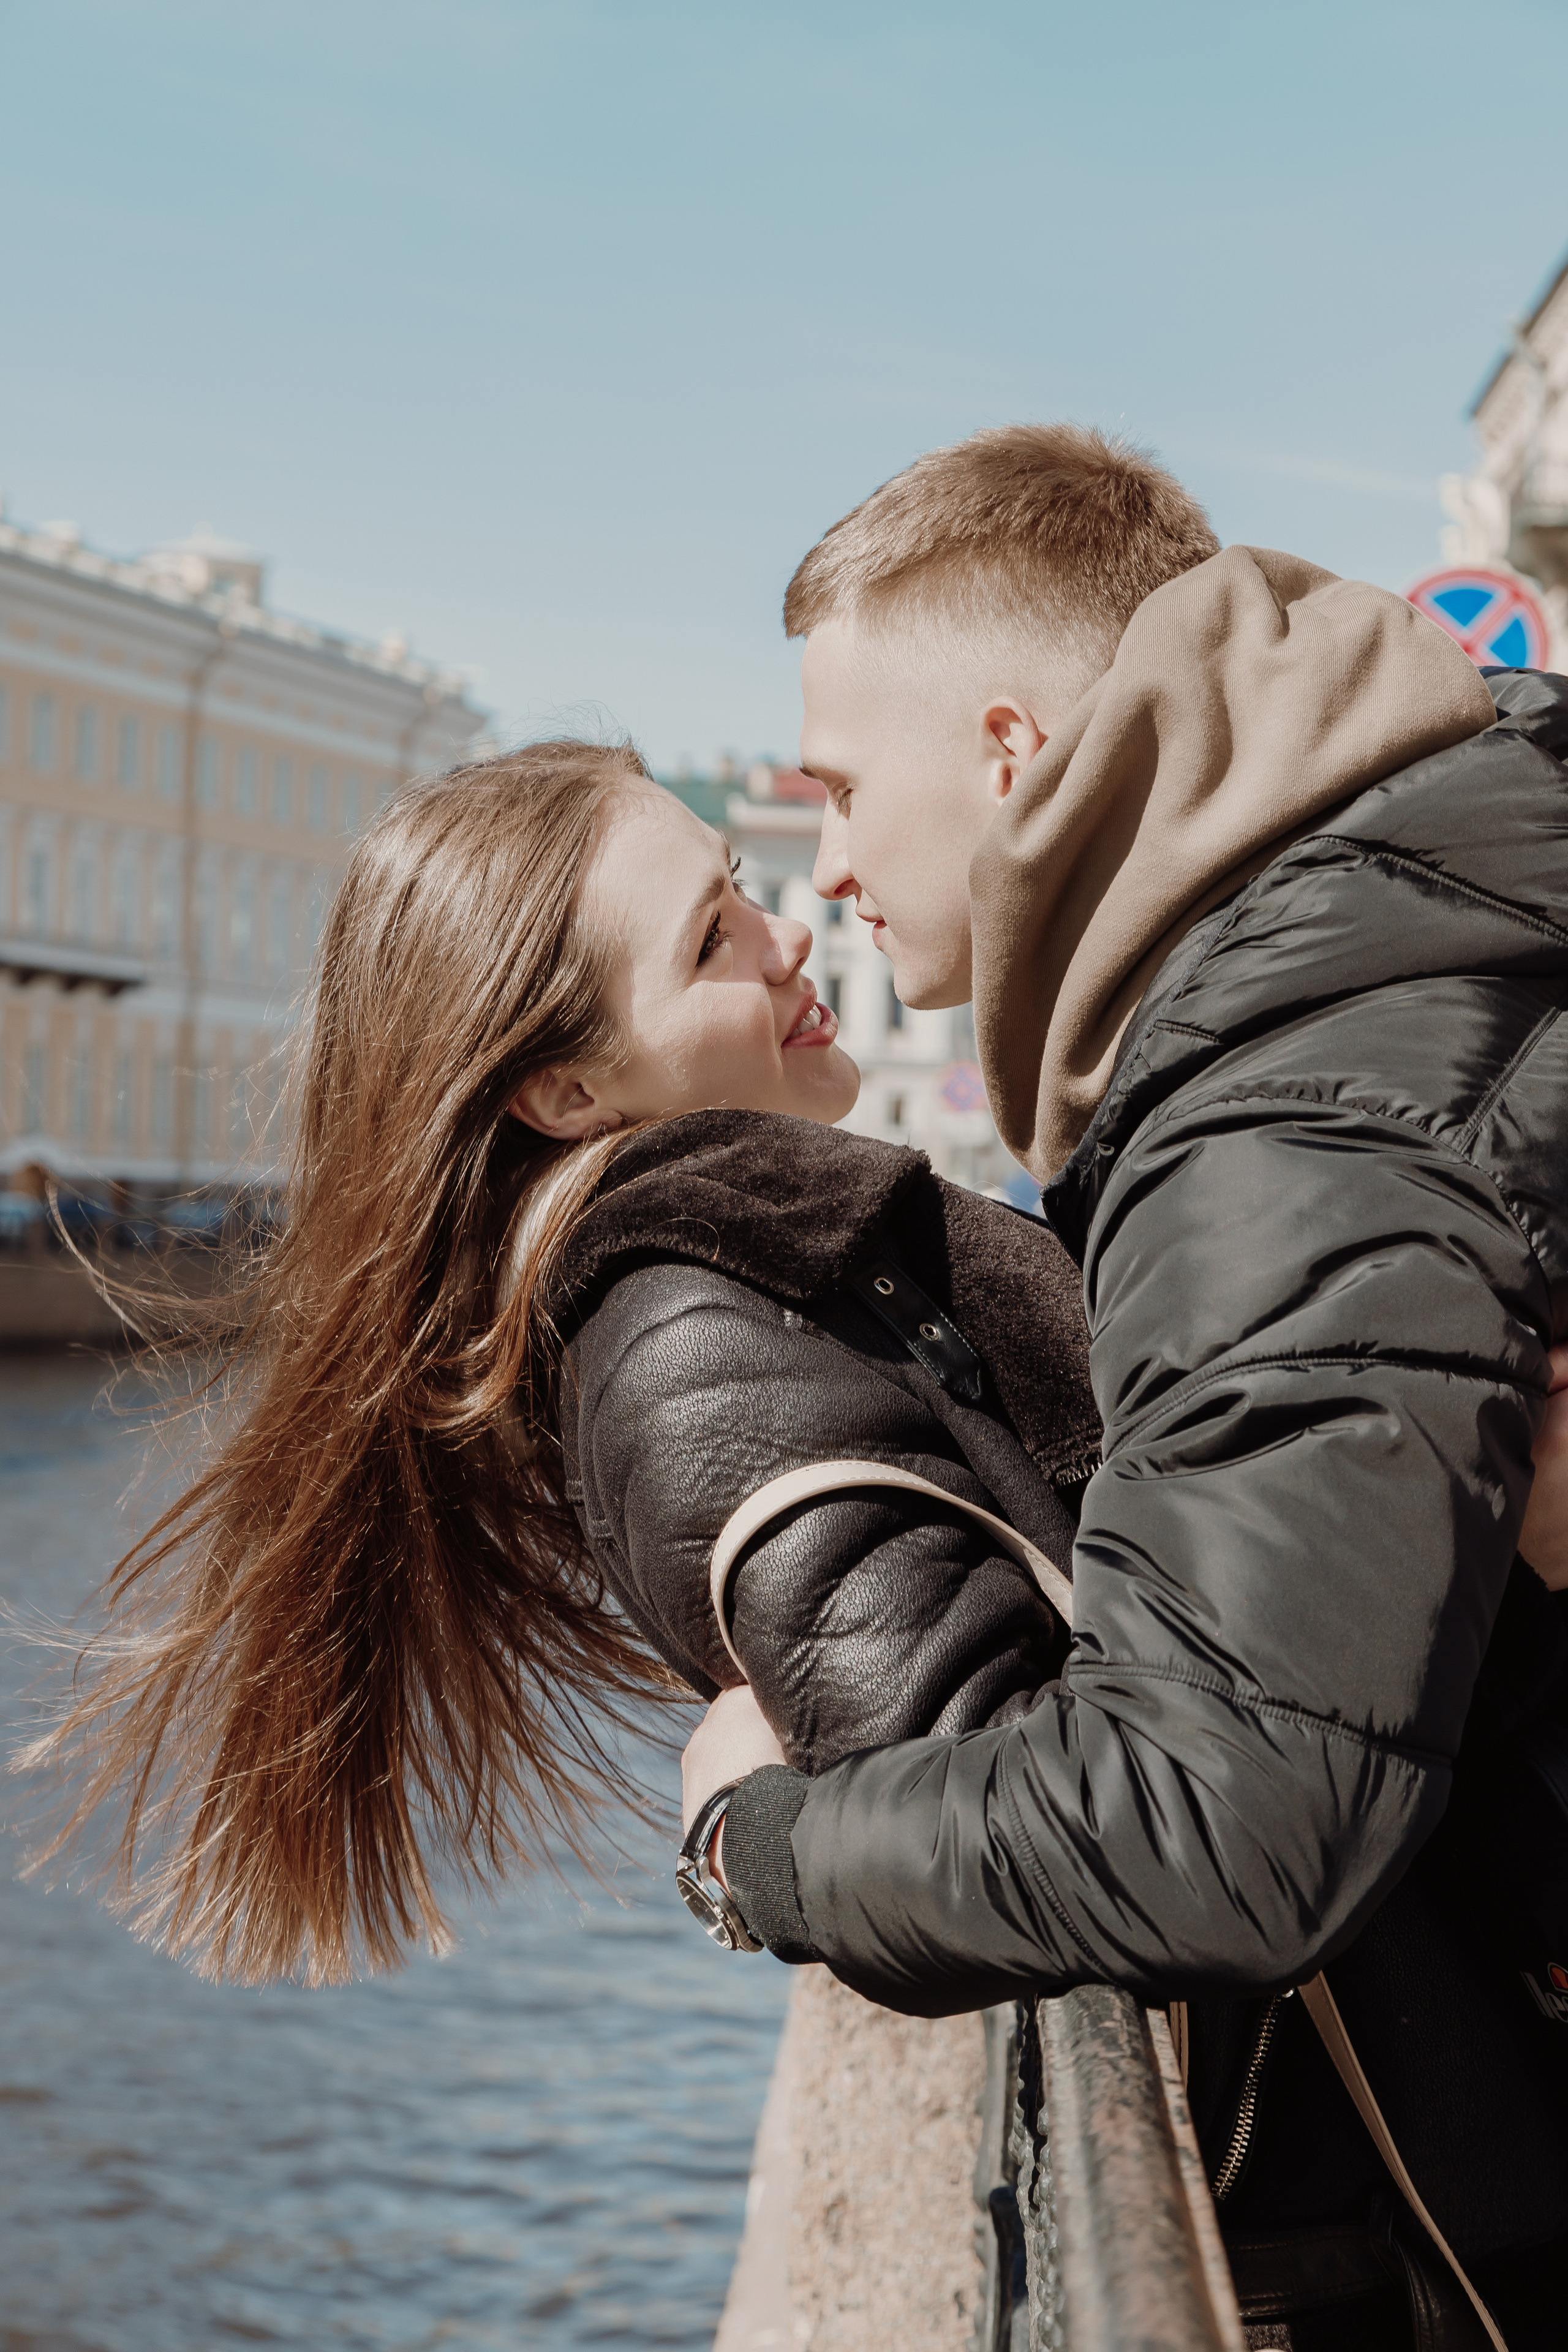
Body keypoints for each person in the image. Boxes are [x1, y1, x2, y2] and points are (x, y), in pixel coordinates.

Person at [677, 424, 1568, 2346]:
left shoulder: (1291, 1099)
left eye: (839, 789)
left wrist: (761, 1850)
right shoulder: (1379, 911)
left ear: (1008, 754)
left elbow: (1224, 1814)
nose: (825, 866)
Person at [26, 736, 1098, 1991]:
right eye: (709, 941)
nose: (784, 937)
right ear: (569, 1094)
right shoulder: (692, 1356)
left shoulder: (756, 1269)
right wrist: (740, 1846)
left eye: (740, 887)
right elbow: (1014, 1849)